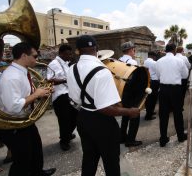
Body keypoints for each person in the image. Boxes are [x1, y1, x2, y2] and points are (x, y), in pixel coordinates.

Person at [67, 35, 140, 176]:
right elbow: (106, 109)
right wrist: (130, 111)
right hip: (102, 123)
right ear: (97, 49)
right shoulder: (102, 71)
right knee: (111, 161)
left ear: (77, 51)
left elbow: (74, 99)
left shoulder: (72, 68)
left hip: (83, 117)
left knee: (89, 158)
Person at [0, 42, 56, 176]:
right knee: (22, 159)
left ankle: (37, 172)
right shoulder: (11, 77)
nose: (37, 59)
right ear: (24, 55)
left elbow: (26, 94)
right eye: (34, 56)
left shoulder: (22, 72)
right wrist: (36, 94)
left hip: (24, 121)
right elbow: (13, 106)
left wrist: (42, 92)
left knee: (35, 149)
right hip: (13, 125)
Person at [156, 43, 189, 147]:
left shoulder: (159, 61)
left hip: (163, 89)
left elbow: (158, 76)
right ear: (174, 50)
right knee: (178, 113)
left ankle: (163, 139)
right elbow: (185, 75)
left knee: (163, 114)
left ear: (166, 50)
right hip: (176, 89)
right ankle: (180, 136)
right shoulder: (180, 61)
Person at [47, 44, 78, 151]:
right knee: (64, 120)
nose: (70, 56)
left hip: (68, 94)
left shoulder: (65, 63)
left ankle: (67, 134)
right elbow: (50, 80)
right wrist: (66, 80)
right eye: (68, 54)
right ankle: (64, 141)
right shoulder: (53, 64)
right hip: (60, 96)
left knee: (75, 116)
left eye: (71, 54)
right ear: (61, 53)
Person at [118, 41, 142, 147]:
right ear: (131, 50)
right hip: (132, 93)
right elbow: (138, 80)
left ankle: (122, 137)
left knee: (125, 115)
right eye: (134, 49)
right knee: (134, 114)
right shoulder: (132, 62)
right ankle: (130, 140)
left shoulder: (118, 60)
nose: (134, 51)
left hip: (122, 91)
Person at [0, 38, 13, 166]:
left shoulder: (3, 66)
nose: (0, 51)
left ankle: (10, 153)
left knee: (9, 131)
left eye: (1, 48)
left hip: (4, 105)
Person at [143, 51, 159, 120]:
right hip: (154, 82)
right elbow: (158, 72)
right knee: (153, 99)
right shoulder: (154, 63)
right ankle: (149, 115)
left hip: (147, 81)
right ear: (153, 56)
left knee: (148, 98)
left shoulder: (144, 62)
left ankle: (149, 112)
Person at [175, 46, 191, 111]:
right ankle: (180, 107)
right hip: (182, 78)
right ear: (182, 51)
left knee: (175, 93)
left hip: (175, 78)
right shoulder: (184, 58)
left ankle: (173, 106)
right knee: (182, 94)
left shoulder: (174, 57)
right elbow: (189, 66)